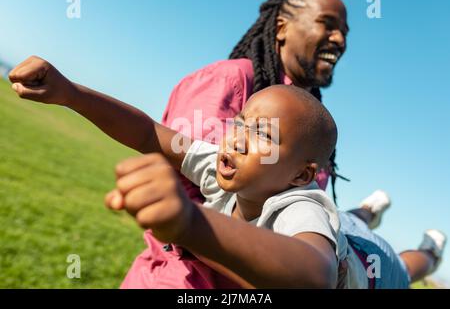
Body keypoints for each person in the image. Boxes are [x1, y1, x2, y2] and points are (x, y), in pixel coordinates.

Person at [8, 54, 446, 287]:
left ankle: (430, 248)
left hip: (372, 271)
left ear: (300, 175)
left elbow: (315, 274)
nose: (237, 138)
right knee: (352, 220)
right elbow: (147, 133)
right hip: (343, 232)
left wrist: (191, 222)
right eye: (241, 123)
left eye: (264, 135)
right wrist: (70, 93)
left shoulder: (299, 206)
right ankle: (367, 210)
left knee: (408, 268)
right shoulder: (224, 163)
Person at [161, 0, 350, 203]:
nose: (340, 40)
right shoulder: (230, 79)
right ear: (281, 28)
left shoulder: (310, 120)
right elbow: (195, 170)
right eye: (327, 24)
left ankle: (368, 210)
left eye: (345, 32)